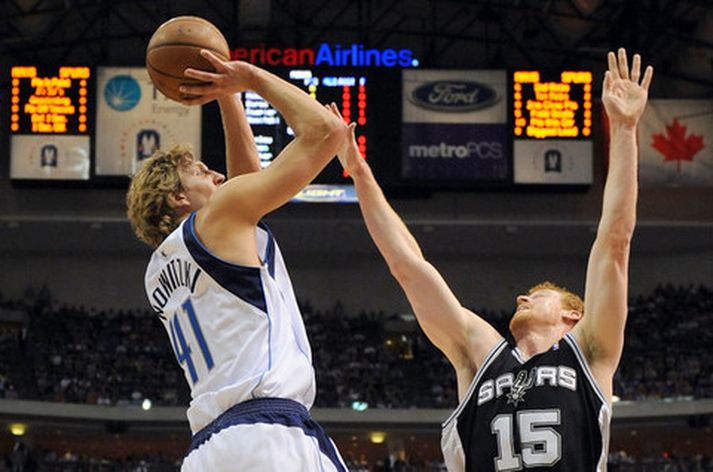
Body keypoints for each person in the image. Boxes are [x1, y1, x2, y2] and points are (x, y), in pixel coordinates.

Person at [336, 48, 653, 471]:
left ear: (573, 315)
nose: (522, 297)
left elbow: (615, 240)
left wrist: (626, 129)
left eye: (539, 296)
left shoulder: (589, 351)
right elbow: (408, 267)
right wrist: (361, 174)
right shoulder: (479, 354)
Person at [126, 49, 349, 471]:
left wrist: (226, 95)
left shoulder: (158, 269)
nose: (218, 177)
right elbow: (327, 130)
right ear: (178, 196)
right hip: (269, 434)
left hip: (207, 449)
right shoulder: (218, 218)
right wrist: (247, 78)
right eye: (201, 172)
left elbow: (245, 185)